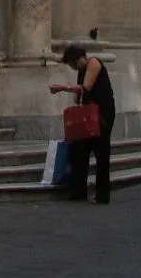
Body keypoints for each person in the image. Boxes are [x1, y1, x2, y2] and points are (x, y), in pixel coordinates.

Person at [49, 39, 116, 204]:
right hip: (89, 115)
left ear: (78, 59)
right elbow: (81, 93)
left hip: (101, 115)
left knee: (101, 152)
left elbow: (85, 88)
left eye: (72, 64)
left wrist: (64, 88)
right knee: (79, 150)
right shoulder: (82, 70)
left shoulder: (93, 63)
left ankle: (102, 194)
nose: (72, 68)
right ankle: (78, 190)